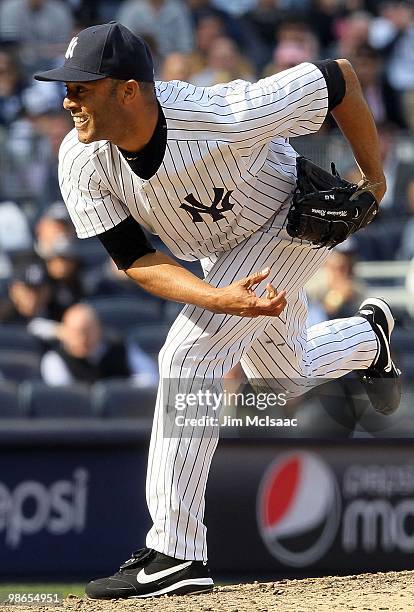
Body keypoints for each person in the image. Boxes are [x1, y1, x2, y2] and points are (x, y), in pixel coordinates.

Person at [34, 21, 399, 599]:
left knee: (189, 352)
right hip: (221, 254)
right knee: (282, 378)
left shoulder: (223, 112)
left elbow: (339, 79)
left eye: (82, 85)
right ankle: (366, 339)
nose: (67, 96)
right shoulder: (80, 160)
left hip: (287, 217)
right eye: (67, 85)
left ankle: (175, 550)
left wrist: (374, 181)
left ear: (129, 89)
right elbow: (134, 256)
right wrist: (219, 297)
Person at [40, 303, 158, 386]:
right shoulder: (55, 359)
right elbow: (65, 397)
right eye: (75, 332)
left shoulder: (120, 347)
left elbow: (150, 377)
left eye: (87, 331)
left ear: (98, 330)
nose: (82, 339)